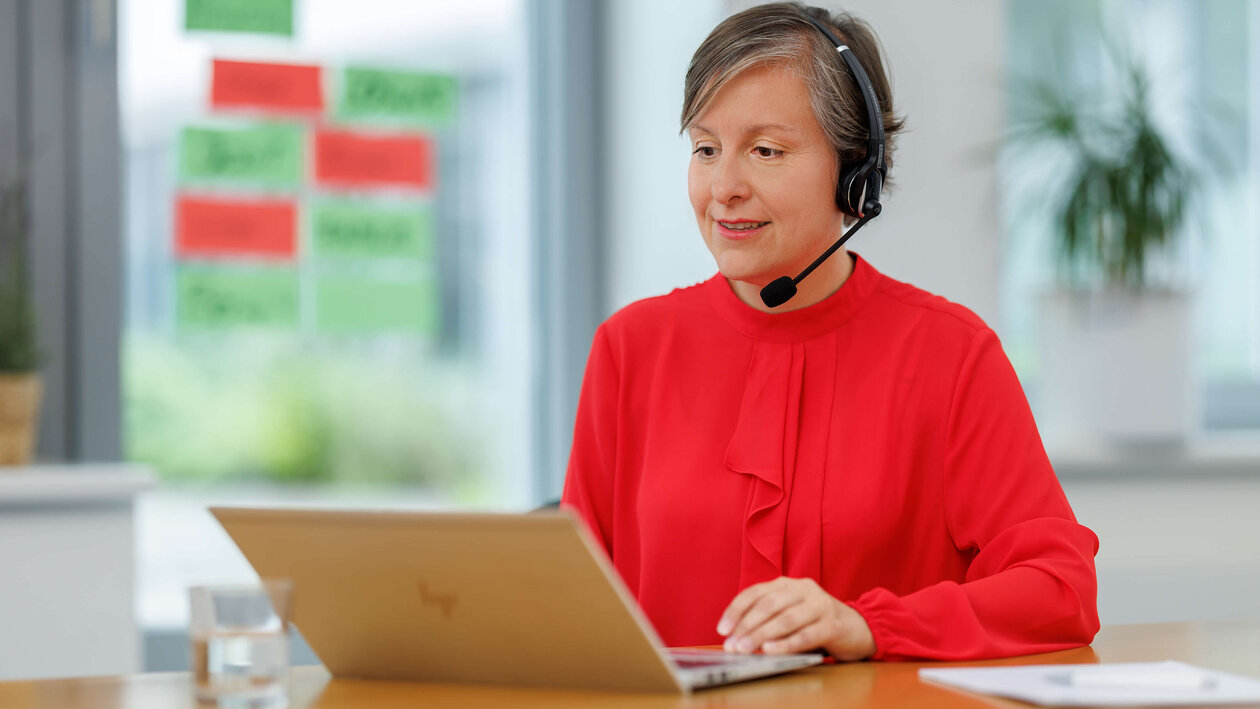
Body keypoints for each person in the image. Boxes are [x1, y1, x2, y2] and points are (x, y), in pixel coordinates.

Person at [561, 2, 1099, 662]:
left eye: (765, 151)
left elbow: (1059, 588)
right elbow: (572, 605)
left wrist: (869, 625)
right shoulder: (631, 348)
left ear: (854, 171)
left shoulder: (951, 354)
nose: (724, 186)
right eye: (706, 149)